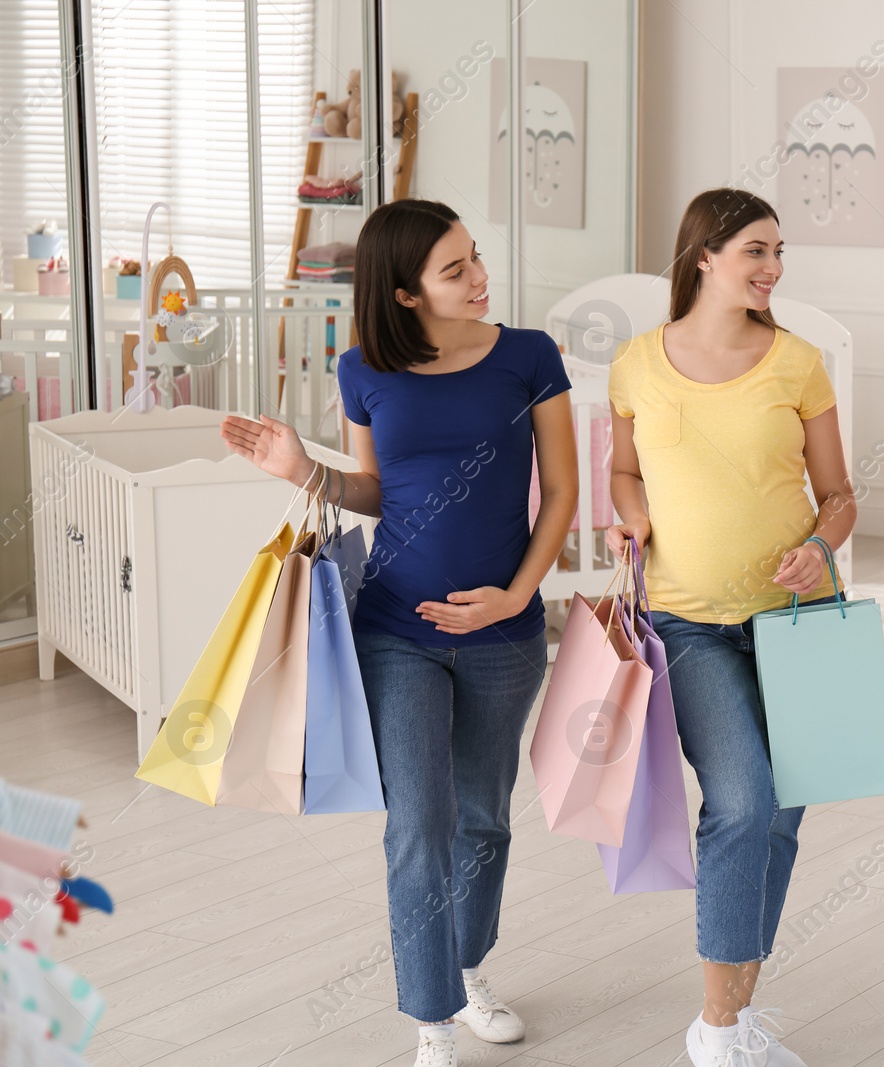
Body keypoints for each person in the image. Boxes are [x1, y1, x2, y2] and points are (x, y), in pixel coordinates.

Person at [221, 199, 578, 1067]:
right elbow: (377, 490)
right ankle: (432, 1016)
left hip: (505, 632)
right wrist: (302, 470)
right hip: (395, 627)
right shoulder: (363, 370)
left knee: (484, 820)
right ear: (406, 290)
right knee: (419, 823)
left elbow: (564, 493)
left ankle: (463, 964)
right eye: (454, 269)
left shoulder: (530, 357)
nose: (478, 277)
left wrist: (511, 597)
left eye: (475, 258)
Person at [605, 187, 856, 1067]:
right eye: (755, 249)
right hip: (690, 622)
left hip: (795, 619)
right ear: (703, 254)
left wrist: (822, 549)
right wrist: (628, 518)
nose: (773, 267)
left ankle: (738, 1010)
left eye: (778, 251)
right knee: (743, 800)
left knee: (782, 816)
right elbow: (623, 473)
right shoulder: (637, 361)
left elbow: (839, 497)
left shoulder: (798, 361)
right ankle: (715, 1032)